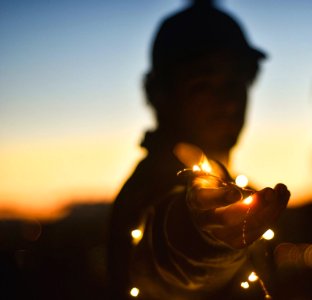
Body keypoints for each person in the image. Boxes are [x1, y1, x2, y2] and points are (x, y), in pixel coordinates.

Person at [107, 1, 290, 299]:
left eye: (236, 81)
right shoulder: (146, 195)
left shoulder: (243, 198)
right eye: (202, 84)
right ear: (159, 95)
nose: (229, 102)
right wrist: (203, 234)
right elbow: (165, 258)